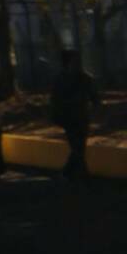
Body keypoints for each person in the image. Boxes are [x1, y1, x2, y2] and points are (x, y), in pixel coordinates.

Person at [50, 49, 97, 179]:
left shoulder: (85, 78)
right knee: (78, 148)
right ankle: (74, 173)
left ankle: (73, 173)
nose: (77, 63)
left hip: (82, 118)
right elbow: (55, 100)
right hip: (68, 119)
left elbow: (94, 98)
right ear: (67, 63)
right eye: (74, 60)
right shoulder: (60, 80)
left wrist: (95, 109)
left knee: (79, 148)